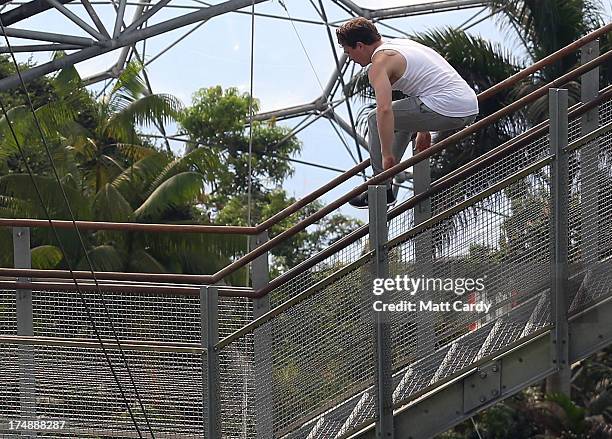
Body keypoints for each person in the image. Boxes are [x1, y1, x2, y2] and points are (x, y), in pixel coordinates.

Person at [336, 18, 479, 208]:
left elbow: (384, 109)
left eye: (348, 52)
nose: (350, 58)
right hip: (468, 106)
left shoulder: (379, 63)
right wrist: (423, 129)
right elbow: (423, 82)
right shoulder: (401, 45)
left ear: (360, 46)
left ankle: (382, 186)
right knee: (398, 116)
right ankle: (385, 182)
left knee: (374, 118)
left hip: (446, 108)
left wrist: (387, 154)